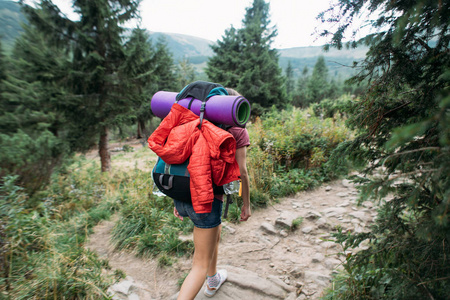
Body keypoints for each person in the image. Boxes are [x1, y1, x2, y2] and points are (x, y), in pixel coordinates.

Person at [173, 88, 251, 299]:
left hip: (182, 194)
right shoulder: (237, 130)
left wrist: (177, 200)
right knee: (198, 265)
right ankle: (205, 277)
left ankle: (213, 278)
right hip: (206, 201)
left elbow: (181, 160)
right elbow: (242, 171)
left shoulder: (196, 122)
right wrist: (247, 204)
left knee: (213, 234)